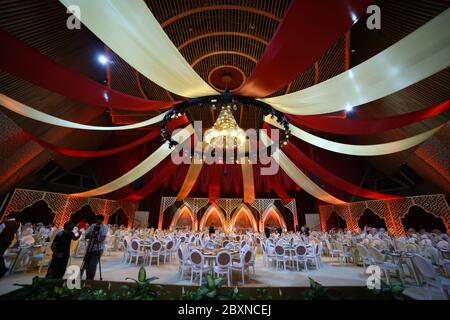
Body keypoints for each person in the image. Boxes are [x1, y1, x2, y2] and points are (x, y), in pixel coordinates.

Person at [82, 215, 108, 280]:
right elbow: (86, 234)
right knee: (87, 263)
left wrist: (96, 241)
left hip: (98, 249)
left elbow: (103, 238)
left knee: (93, 265)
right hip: (90, 247)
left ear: (102, 220)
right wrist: (90, 236)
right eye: (96, 219)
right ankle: (87, 277)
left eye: (99, 219)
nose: (97, 221)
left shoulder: (104, 227)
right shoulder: (93, 225)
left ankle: (91, 280)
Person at [0, 214, 21, 278]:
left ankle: (3, 270)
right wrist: (18, 242)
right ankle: (3, 269)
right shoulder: (18, 223)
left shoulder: (4, 223)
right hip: (8, 241)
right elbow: (18, 234)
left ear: (7, 217)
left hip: (1, 240)